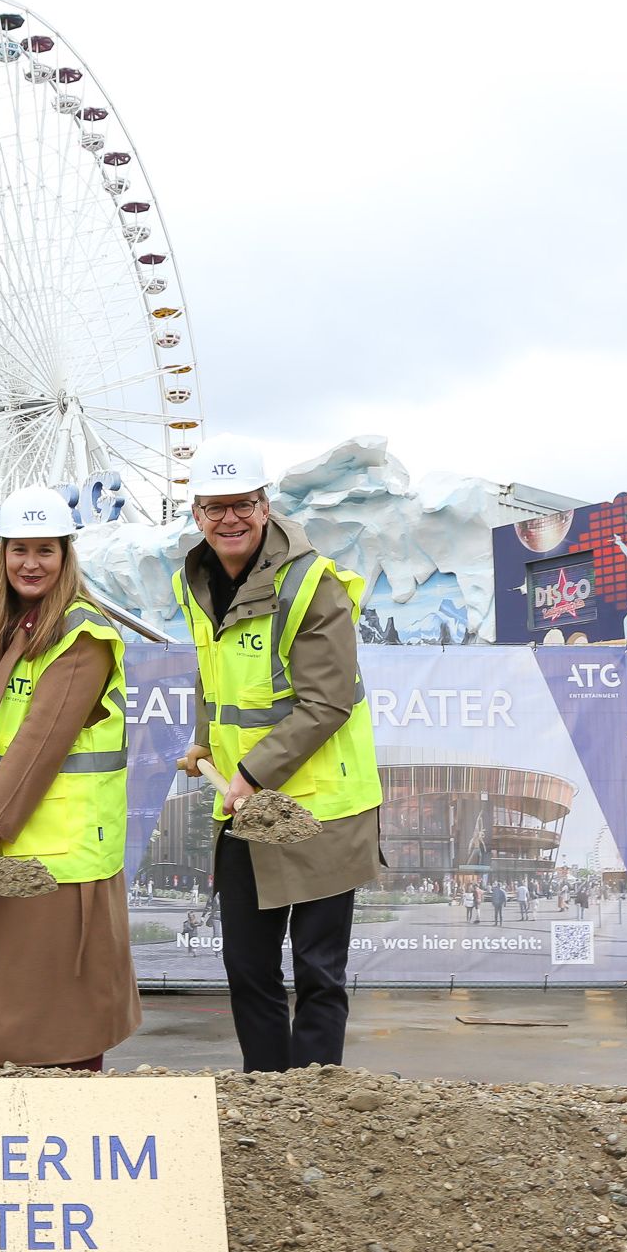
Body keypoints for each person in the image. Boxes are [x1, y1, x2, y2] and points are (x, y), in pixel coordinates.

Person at [175, 439, 382, 1072]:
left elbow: (326, 703)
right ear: (197, 514)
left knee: (320, 970)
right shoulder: (197, 581)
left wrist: (248, 772)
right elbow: (216, 677)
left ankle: (316, 1105)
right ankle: (268, 1094)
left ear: (265, 507)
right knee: (247, 965)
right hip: (245, 809)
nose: (229, 520)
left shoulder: (314, 586)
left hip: (323, 809)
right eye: (216, 508)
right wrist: (207, 738)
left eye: (242, 505)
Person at [0, 486, 141, 1070]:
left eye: (46, 551)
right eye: (18, 549)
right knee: (22, 1022)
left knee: (60, 1028)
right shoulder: (10, 632)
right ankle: (28, 1144)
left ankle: (69, 1144)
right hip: (15, 850)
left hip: (59, 860)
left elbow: (42, 742)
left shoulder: (81, 635)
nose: (31, 563)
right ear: (1, 554)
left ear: (67, 556)